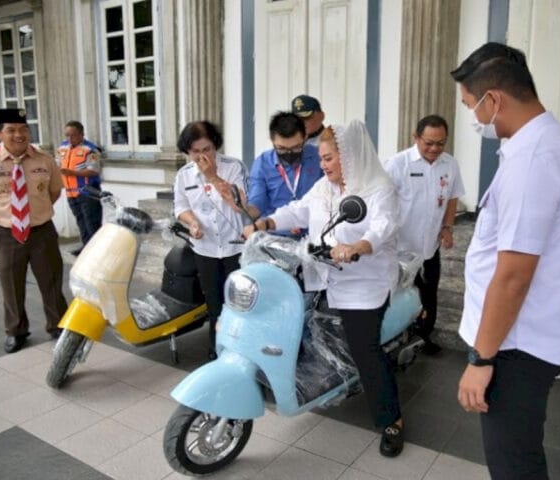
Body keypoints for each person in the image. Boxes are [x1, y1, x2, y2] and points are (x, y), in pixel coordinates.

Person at [451, 42, 560, 479]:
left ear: (494, 100)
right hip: (526, 335)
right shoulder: (549, 141)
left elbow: (512, 276)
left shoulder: (533, 159)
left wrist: (481, 360)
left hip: (517, 345)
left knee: (514, 461)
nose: (474, 119)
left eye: (471, 106)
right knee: (518, 451)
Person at [244, 120, 406, 458]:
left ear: (350, 157)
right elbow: (299, 209)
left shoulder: (378, 188)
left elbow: (383, 226)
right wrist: (266, 224)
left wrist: (359, 246)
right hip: (325, 272)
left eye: (330, 158)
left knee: (365, 351)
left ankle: (391, 420)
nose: (324, 165)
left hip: (364, 283)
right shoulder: (324, 187)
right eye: (322, 158)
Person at [0, 108, 68, 353]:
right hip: (7, 234)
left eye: (24, 129)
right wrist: (8, 217)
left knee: (52, 282)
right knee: (11, 285)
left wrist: (35, 213)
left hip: (42, 231)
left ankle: (58, 325)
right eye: (11, 130)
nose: (19, 134)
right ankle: (16, 331)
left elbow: (54, 192)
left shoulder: (44, 160)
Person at [385, 114, 465, 355]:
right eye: (428, 143)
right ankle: (396, 337)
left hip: (430, 245)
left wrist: (448, 228)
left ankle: (423, 336)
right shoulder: (398, 164)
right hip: (400, 248)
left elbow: (452, 198)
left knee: (430, 293)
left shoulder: (449, 164)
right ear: (416, 138)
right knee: (400, 294)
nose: (434, 149)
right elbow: (384, 203)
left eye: (440, 143)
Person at [173, 121, 247, 361]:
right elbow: (180, 207)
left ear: (215, 145)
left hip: (235, 247)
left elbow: (241, 205)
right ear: (187, 151)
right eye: (195, 151)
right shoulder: (183, 175)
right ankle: (218, 352)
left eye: (207, 149)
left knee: (238, 304)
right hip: (205, 249)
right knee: (214, 304)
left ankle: (242, 352)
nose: (202, 155)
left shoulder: (233, 167)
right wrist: (192, 223)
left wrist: (212, 176)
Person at [247, 111, 323, 235]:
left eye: (296, 147)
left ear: (305, 138)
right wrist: (239, 206)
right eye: (281, 148)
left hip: (313, 235)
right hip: (275, 236)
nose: (289, 153)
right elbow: (256, 206)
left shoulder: (319, 158)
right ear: (272, 140)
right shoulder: (262, 163)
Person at [57, 120, 103, 255]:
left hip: (88, 192)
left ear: (82, 134)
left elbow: (94, 170)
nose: (69, 138)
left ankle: (97, 252)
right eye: (67, 135)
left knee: (92, 223)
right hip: (71, 192)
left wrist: (72, 173)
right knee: (81, 222)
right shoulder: (62, 148)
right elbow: (57, 164)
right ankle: (86, 247)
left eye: (73, 135)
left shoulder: (90, 149)